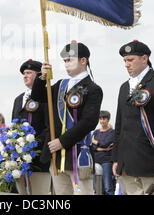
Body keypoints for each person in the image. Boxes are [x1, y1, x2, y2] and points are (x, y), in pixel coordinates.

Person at [31, 41, 103, 195]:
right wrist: (42, 77)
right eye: (64, 61)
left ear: (83, 61)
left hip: (78, 155)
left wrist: (62, 141)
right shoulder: (60, 85)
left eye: (69, 60)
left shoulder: (93, 88)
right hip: (56, 157)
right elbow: (37, 96)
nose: (66, 64)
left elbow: (89, 122)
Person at [112, 40, 154, 195]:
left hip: (150, 163)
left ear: (144, 58)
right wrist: (116, 158)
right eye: (125, 61)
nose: (127, 64)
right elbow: (119, 125)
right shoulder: (124, 87)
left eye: (130, 59)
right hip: (127, 163)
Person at [12, 59, 51, 195]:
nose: (25, 75)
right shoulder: (18, 99)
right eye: (24, 73)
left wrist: (33, 145)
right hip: (19, 160)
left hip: (39, 158)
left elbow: (49, 127)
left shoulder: (47, 96)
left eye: (29, 72)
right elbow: (14, 127)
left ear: (39, 74)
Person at [91, 110, 115, 195]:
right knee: (95, 186)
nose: (102, 121)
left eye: (104, 119)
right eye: (100, 119)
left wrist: (96, 142)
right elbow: (92, 146)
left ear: (108, 119)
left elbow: (106, 144)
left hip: (106, 161)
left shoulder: (112, 132)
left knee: (107, 186)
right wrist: (102, 148)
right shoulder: (96, 132)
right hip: (96, 160)